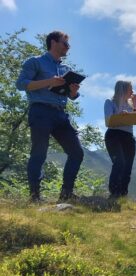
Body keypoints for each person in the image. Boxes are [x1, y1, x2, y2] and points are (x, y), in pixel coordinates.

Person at [16, 30, 84, 202]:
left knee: (76, 152)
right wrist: (49, 82)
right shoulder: (35, 62)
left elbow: (71, 96)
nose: (68, 47)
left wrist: (73, 92)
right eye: (65, 43)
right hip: (40, 111)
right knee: (39, 153)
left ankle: (66, 193)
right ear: (53, 43)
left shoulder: (66, 69)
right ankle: (35, 196)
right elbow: (21, 84)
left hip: (60, 114)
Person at [104, 80, 136, 199]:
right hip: (114, 135)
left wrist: (135, 104)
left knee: (128, 166)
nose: (132, 91)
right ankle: (114, 192)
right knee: (119, 162)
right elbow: (108, 122)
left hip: (128, 136)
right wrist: (120, 116)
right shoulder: (110, 102)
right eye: (130, 89)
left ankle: (123, 195)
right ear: (123, 90)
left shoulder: (130, 104)